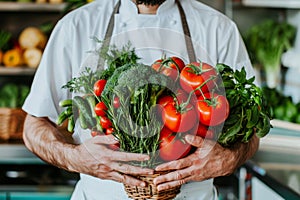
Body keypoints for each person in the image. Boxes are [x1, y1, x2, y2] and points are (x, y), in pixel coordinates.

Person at [22, 0, 259, 199]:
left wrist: (228, 159)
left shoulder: (217, 28)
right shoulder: (76, 27)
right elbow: (33, 126)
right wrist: (76, 159)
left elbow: (253, 132)